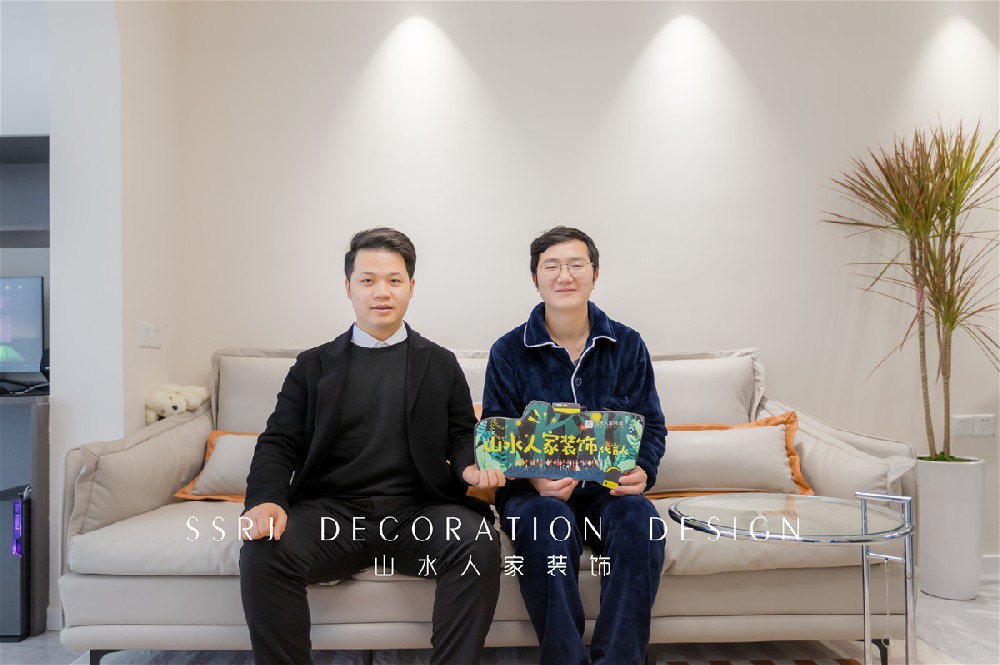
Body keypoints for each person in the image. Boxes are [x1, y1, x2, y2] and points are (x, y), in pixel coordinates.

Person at [240, 227, 505, 665]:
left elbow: (461, 434)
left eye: (394, 280)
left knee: (477, 542)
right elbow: (279, 441)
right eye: (368, 280)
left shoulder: (439, 363)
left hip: (417, 512)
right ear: (348, 287)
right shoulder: (312, 365)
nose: (382, 292)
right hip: (333, 512)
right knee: (263, 552)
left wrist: (469, 467)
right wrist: (266, 499)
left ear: (411, 287)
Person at [482, 226, 667, 665]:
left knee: (642, 521)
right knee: (546, 520)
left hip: (608, 494)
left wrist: (642, 469)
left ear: (594, 274)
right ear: (536, 278)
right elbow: (496, 437)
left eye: (576, 265)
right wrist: (534, 479)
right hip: (535, 496)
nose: (564, 275)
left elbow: (651, 425)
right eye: (552, 266)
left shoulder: (627, 345)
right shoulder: (508, 351)